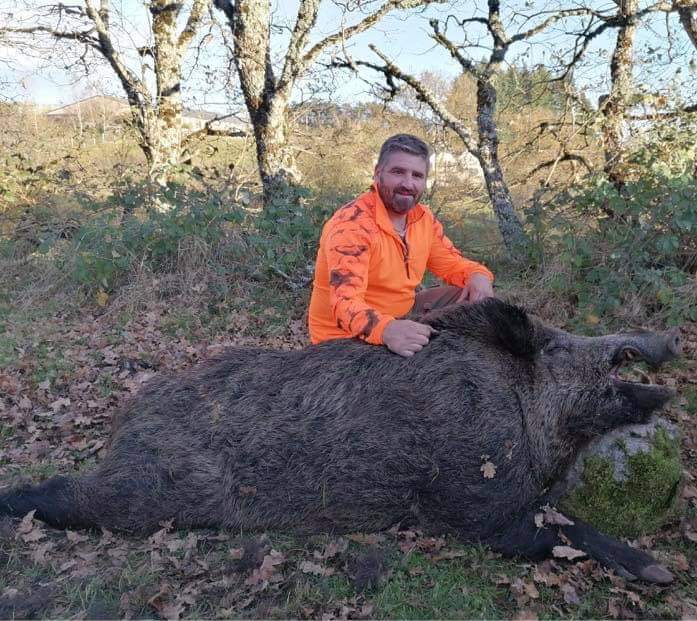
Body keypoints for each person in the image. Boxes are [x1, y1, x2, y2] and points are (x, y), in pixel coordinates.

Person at [308, 134, 495, 357]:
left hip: (402, 313)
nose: (408, 184)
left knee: (479, 304)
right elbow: (345, 304)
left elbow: (452, 264)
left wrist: (478, 275)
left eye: (417, 175)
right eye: (398, 172)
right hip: (343, 339)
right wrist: (386, 330)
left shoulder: (422, 219)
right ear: (378, 173)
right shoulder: (353, 225)